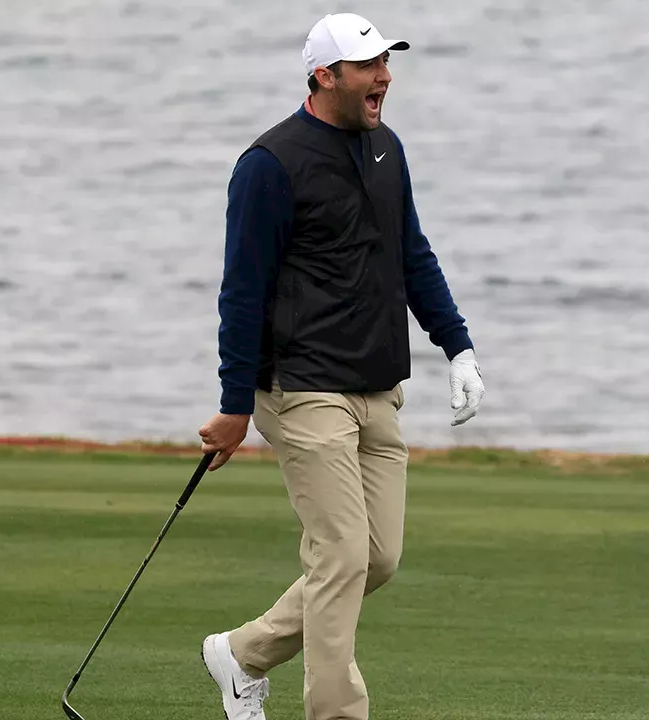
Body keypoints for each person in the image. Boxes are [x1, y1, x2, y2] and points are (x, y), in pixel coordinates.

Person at [195, 12, 484, 720]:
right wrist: (235, 406)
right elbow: (243, 290)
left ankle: (242, 654)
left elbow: (410, 254)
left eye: (387, 63)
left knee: (376, 559)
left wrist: (458, 345)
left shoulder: (386, 148)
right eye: (368, 67)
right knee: (341, 557)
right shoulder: (270, 164)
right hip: (301, 389)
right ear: (326, 77)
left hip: (377, 386)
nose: (384, 76)